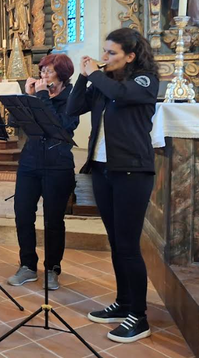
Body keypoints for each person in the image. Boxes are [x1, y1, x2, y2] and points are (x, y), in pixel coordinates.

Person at [67, 27, 159, 344]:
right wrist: (83, 76)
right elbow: (72, 107)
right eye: (104, 51)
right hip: (103, 170)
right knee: (116, 242)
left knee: (129, 246)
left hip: (133, 171)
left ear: (130, 56)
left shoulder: (143, 81)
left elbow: (122, 95)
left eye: (112, 53)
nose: (104, 58)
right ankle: (124, 303)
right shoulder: (105, 83)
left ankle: (140, 317)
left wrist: (96, 73)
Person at [6, 54, 78, 291]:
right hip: (30, 162)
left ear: (63, 73)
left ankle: (52, 268)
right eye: (42, 70)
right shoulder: (37, 94)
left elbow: (63, 126)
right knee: (22, 213)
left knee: (53, 220)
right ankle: (27, 265)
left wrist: (43, 96)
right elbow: (15, 123)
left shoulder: (72, 96)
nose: (43, 75)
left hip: (58, 164)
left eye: (49, 71)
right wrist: (27, 97)